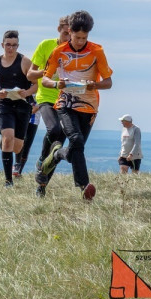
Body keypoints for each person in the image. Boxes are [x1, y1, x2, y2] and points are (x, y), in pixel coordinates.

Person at [39, 10, 113, 201]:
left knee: (74, 152)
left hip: (89, 107)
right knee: (76, 140)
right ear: (69, 31)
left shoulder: (97, 51)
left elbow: (108, 82)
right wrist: (57, 84)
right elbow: (45, 79)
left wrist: (94, 84)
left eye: (84, 37)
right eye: (77, 37)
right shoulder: (59, 52)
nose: (80, 41)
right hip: (65, 103)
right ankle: (84, 187)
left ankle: (54, 157)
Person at [0, 30, 37, 187]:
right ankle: (8, 180)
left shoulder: (25, 61)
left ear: (18, 46)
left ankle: (6, 139)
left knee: (17, 146)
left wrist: (27, 92)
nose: (11, 48)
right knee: (8, 138)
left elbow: (36, 84)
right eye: (8, 45)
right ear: (2, 45)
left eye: (14, 45)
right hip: (4, 104)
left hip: (22, 105)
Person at [27, 16, 70, 197]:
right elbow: (30, 75)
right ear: (59, 29)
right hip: (46, 96)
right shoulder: (46, 45)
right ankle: (40, 160)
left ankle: (42, 185)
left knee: (59, 144)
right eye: (65, 32)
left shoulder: (75, 51)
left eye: (72, 33)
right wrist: (48, 70)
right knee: (53, 131)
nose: (69, 36)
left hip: (68, 99)